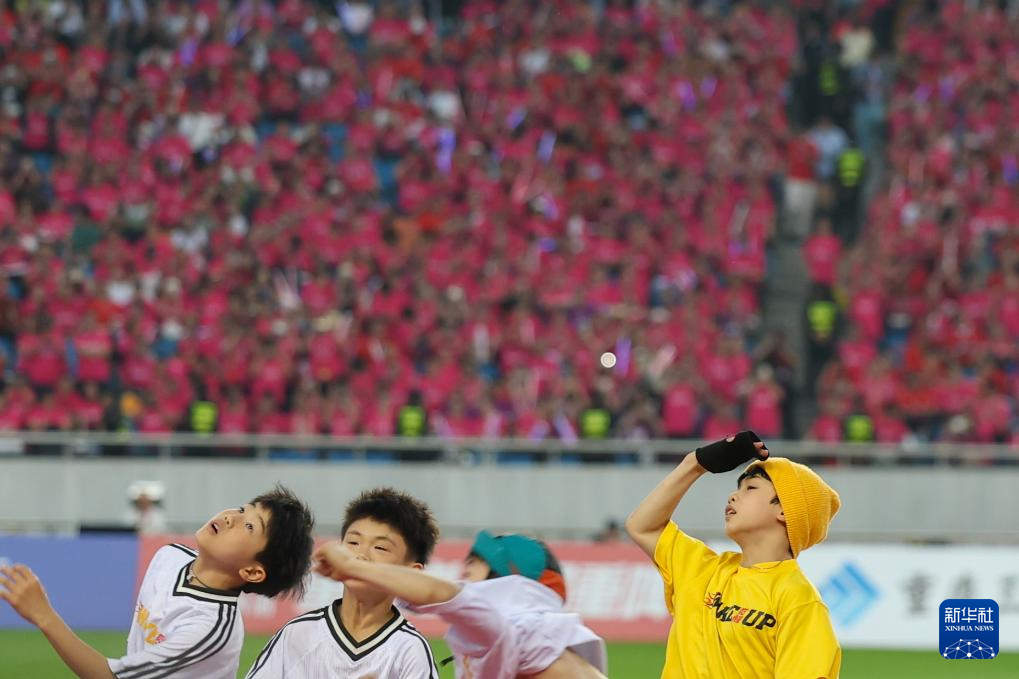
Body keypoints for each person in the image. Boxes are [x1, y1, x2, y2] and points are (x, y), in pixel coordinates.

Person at [0, 484, 315, 679]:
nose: (232, 516)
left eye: (249, 526)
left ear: (253, 572)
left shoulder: (209, 628)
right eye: (242, 508)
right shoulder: (169, 556)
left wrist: (44, 616)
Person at [625, 431, 841, 678]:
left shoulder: (798, 599)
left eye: (751, 487)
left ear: (784, 510)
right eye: (738, 488)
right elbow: (642, 526)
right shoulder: (701, 570)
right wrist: (695, 463)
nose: (733, 495)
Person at [314, 529, 608, 679]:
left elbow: (443, 595)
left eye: (479, 562)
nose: (465, 567)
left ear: (507, 578)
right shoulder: (545, 641)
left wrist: (354, 567)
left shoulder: (514, 628)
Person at [246, 487, 440, 678]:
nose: (360, 556)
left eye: (380, 547)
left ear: (411, 573)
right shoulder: (297, 634)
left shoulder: (410, 651)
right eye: (353, 542)